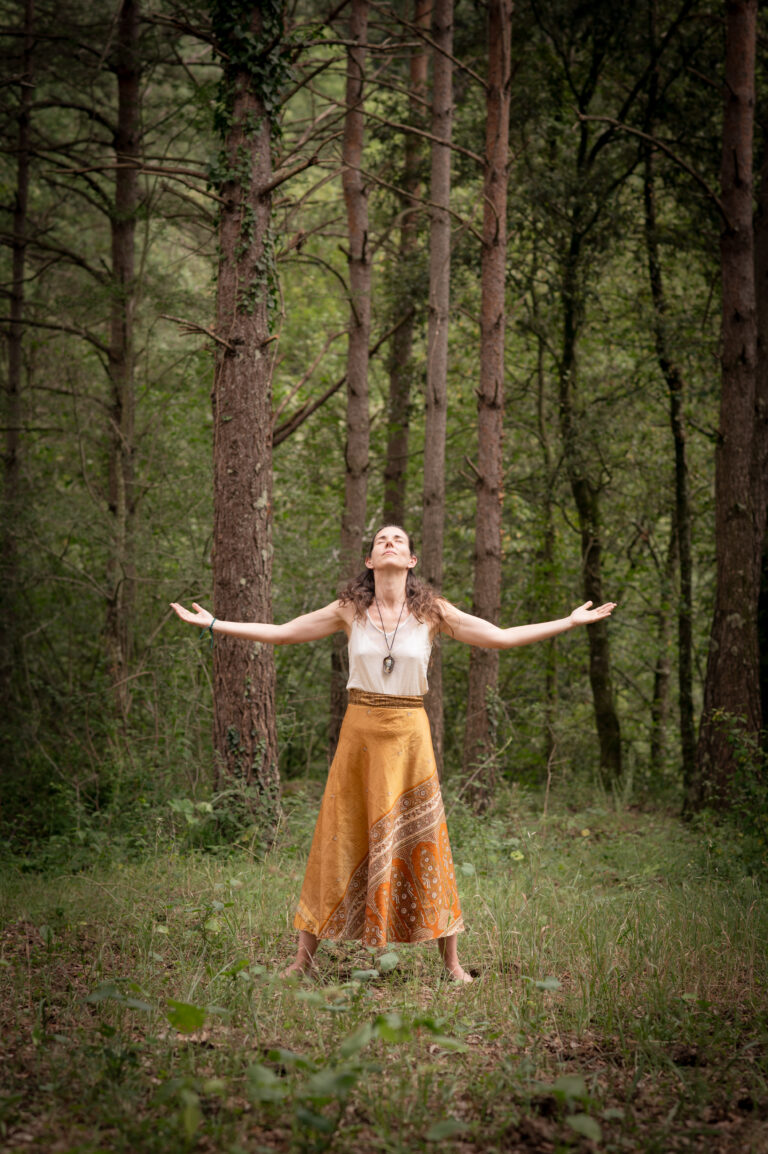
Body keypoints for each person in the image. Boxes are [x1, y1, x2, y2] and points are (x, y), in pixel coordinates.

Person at [171, 525, 616, 983]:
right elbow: (284, 632)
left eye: (398, 540)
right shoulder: (350, 610)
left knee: (426, 837)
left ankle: (453, 964)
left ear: (411, 562)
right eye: (381, 540)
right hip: (360, 732)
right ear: (369, 561)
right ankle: (301, 962)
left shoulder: (432, 613)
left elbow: (499, 637)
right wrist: (212, 623)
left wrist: (569, 622)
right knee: (337, 836)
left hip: (409, 735)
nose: (389, 543)